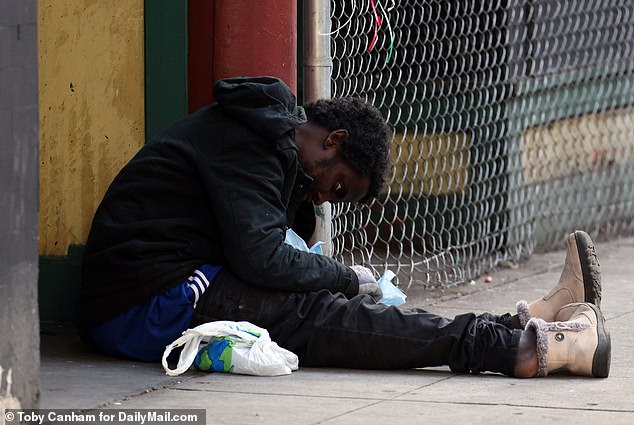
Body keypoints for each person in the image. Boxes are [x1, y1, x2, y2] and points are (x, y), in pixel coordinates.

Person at [78, 76, 610, 378]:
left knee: (328, 304)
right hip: (142, 301)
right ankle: (522, 349)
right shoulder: (252, 142)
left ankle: (515, 325)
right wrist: (341, 275)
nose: (322, 196)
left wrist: (323, 255)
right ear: (331, 141)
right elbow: (261, 258)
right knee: (316, 312)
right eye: (337, 186)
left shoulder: (271, 145)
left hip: (173, 280)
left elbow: (268, 247)